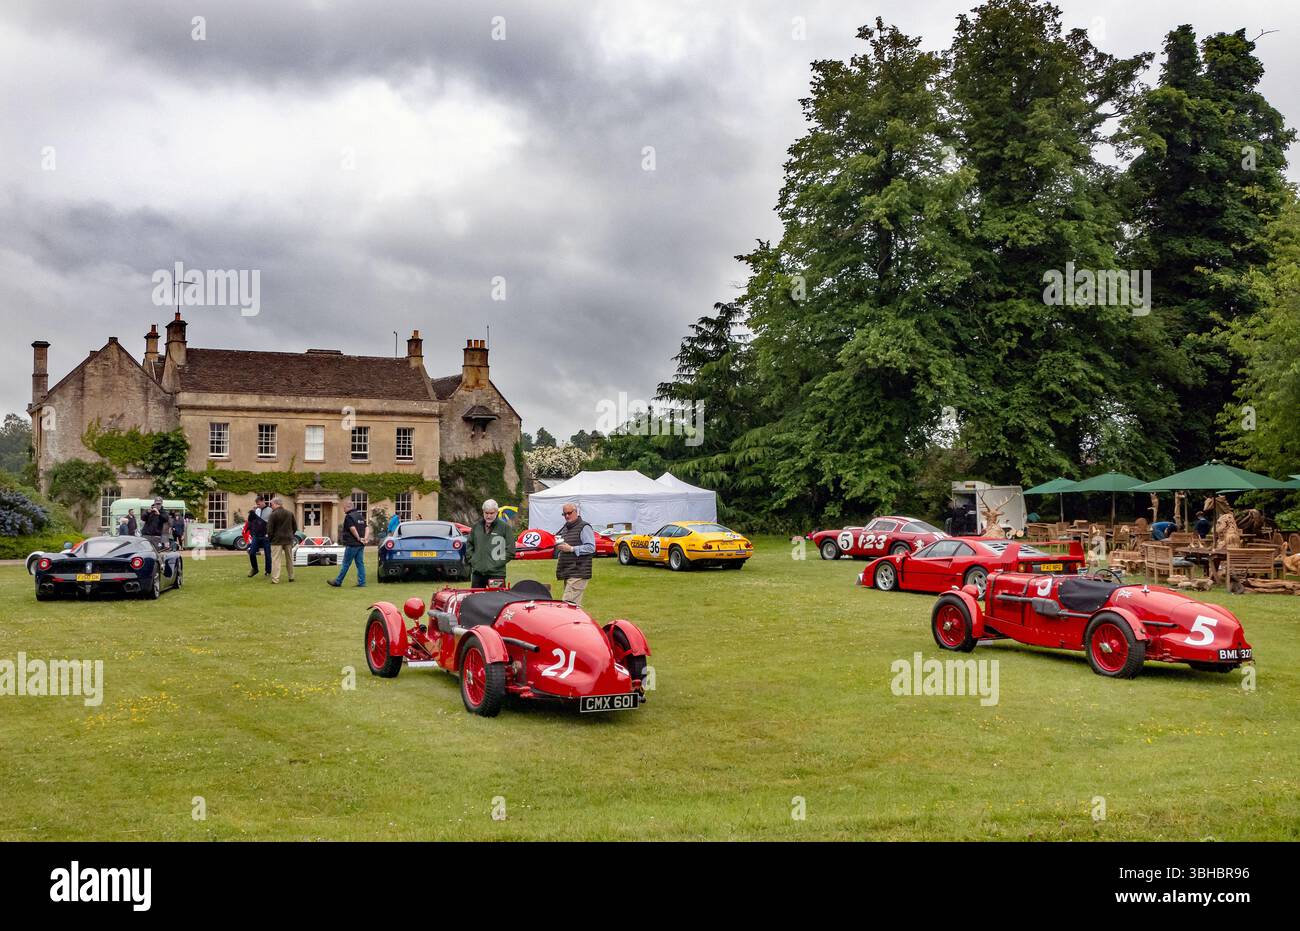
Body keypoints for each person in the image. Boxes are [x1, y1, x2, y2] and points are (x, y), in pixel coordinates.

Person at [465, 498, 515, 587]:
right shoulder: (476, 527)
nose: (488, 516)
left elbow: (510, 551)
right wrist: (474, 561)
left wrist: (496, 563)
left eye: (491, 513)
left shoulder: (505, 528)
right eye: (486, 513)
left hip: (497, 574)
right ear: (483, 512)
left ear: (496, 512)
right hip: (478, 574)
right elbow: (469, 545)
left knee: (497, 600)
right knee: (476, 600)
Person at [553, 501, 596, 606]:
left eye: (569, 513)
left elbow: (591, 548)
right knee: (573, 607)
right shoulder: (566, 527)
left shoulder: (584, 527)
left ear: (576, 512)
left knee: (567, 605)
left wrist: (572, 549)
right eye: (564, 514)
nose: (567, 516)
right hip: (569, 571)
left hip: (579, 572)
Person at [328, 503, 370, 587]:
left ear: (349, 507)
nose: (343, 510)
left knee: (346, 563)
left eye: (344, 508)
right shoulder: (360, 516)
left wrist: (358, 538)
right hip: (360, 545)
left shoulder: (349, 516)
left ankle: (338, 581)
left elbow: (352, 528)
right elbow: (367, 528)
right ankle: (362, 582)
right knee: (360, 564)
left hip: (352, 544)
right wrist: (365, 538)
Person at [267, 498, 298, 584]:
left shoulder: (273, 515)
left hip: (276, 540)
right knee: (289, 559)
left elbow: (269, 529)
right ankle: (291, 577)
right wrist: (291, 535)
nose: (271, 506)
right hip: (288, 539)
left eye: (272, 504)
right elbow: (295, 527)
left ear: (277, 504)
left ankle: (275, 579)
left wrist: (270, 539)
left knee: (276, 560)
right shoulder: (289, 513)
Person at [246, 496, 272, 577]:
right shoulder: (256, 510)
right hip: (256, 536)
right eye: (257, 504)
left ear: (263, 501)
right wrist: (252, 512)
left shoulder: (270, 510)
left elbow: (272, 523)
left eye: (259, 504)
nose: (258, 505)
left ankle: (268, 571)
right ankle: (255, 569)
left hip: (266, 536)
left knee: (268, 555)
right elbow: (251, 521)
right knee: (252, 552)